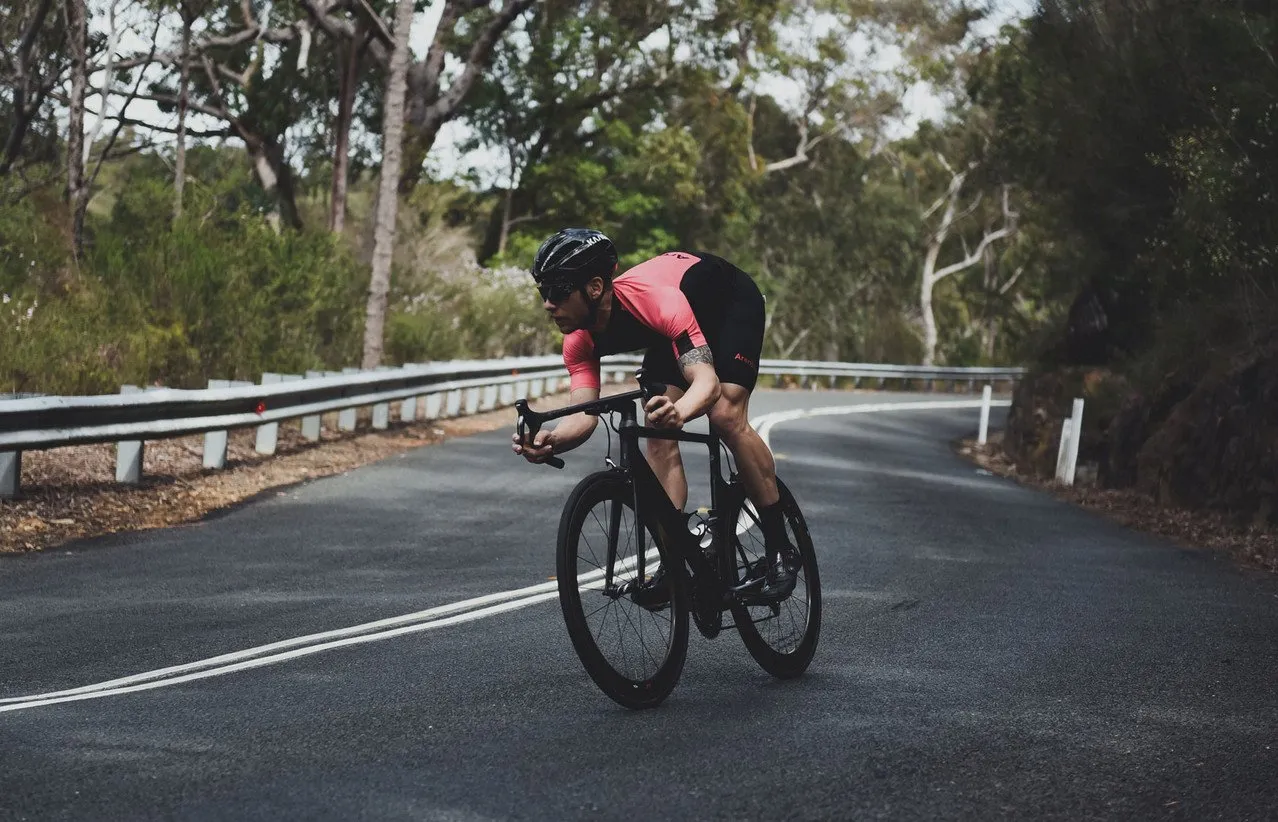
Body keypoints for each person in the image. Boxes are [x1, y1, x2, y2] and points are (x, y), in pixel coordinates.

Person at [511, 227, 798, 603]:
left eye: (558, 291)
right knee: (655, 428)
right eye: (543, 292)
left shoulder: (655, 302)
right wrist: (554, 439)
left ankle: (781, 550)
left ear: (595, 288)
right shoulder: (578, 340)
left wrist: (679, 410)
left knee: (725, 414)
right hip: (672, 330)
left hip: (728, 305)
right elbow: (585, 414)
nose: (548, 304)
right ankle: (676, 561)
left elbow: (707, 384)